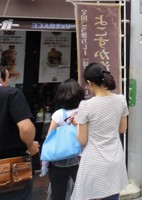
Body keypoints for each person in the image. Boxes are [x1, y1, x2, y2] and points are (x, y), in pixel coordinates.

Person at [72, 63, 129, 200]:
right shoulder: (121, 100)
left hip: (94, 161)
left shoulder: (86, 106)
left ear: (89, 83)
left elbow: (82, 140)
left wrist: (76, 124)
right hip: (115, 158)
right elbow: (122, 129)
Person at [0, 66, 40, 200]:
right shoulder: (11, 94)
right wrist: (30, 145)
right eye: (7, 78)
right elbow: (26, 128)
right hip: (10, 169)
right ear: (2, 78)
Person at [47, 79, 85, 200]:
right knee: (82, 192)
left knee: (58, 193)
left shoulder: (59, 114)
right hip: (80, 160)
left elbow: (49, 137)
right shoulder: (83, 112)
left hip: (59, 160)